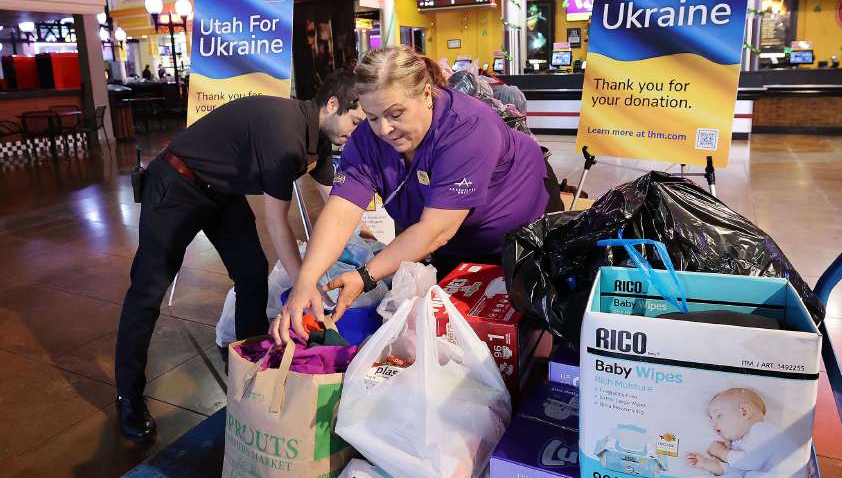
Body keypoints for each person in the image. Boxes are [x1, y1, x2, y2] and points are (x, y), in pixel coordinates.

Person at [114, 74, 365, 443]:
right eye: (356, 121)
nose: (357, 133)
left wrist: (370, 241)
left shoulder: (322, 139)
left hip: (222, 193)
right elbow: (276, 221)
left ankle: (250, 370)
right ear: (332, 105)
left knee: (252, 276)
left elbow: (339, 203)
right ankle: (128, 396)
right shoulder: (285, 134)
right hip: (177, 184)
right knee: (147, 293)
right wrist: (304, 284)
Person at [272, 46, 563, 345]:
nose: (384, 129)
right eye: (371, 117)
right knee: (455, 333)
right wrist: (306, 281)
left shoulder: (467, 127)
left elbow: (435, 230)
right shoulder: (367, 140)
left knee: (529, 331)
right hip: (453, 243)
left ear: (426, 94)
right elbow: (340, 213)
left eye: (395, 114)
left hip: (522, 230)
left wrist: (365, 276)